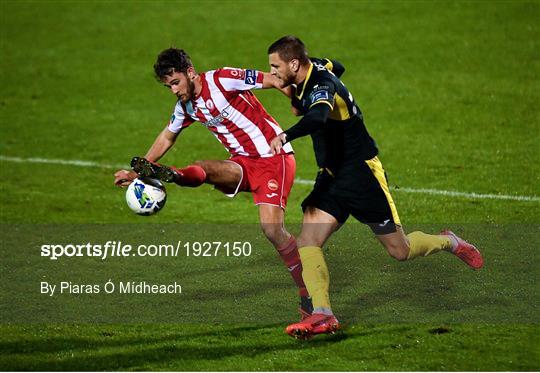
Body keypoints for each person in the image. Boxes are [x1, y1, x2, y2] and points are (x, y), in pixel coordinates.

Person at [267, 36, 484, 339]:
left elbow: (316, 117)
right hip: (331, 176)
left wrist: (285, 136)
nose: (273, 72)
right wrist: (294, 93)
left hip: (360, 175)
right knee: (307, 241)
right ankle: (323, 314)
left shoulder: (321, 87)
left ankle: (449, 241)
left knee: (400, 250)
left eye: (276, 67)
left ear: (293, 64)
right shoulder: (315, 68)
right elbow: (337, 65)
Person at [113, 48, 318, 316]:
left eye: (176, 82)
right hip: (241, 163)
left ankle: (309, 295)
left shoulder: (222, 79)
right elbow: (167, 136)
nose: (174, 90)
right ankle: (172, 174)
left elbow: (273, 79)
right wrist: (138, 171)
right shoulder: (185, 107)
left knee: (272, 231)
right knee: (205, 168)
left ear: (189, 72)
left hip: (273, 158)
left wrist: (296, 101)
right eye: (168, 87)